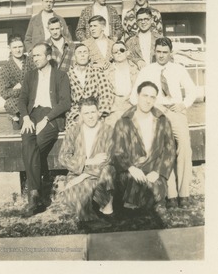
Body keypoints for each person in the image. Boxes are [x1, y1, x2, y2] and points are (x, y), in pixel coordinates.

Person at [130, 37, 197, 209]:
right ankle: (171, 194)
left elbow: (192, 91)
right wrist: (150, 106)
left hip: (175, 111)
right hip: (156, 112)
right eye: (158, 52)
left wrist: (184, 104)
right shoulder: (146, 70)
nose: (161, 55)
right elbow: (133, 96)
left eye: (165, 52)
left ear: (171, 53)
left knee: (184, 148)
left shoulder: (178, 69)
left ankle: (184, 194)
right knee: (163, 151)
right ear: (154, 52)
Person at [18, 42, 71, 217]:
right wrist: (25, 117)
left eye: (38, 55)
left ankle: (33, 195)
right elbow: (23, 99)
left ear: (48, 57)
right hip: (31, 115)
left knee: (36, 146)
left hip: (52, 116)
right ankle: (35, 195)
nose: (35, 59)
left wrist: (47, 119)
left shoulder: (60, 76)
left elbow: (65, 102)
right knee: (27, 142)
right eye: (33, 56)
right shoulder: (30, 76)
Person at [112, 81, 176, 212]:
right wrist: (131, 168)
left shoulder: (162, 120)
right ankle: (144, 204)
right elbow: (117, 151)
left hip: (153, 170)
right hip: (131, 171)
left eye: (152, 97)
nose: (148, 101)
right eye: (145, 96)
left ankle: (139, 203)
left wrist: (158, 171)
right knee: (132, 184)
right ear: (137, 96)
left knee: (154, 188)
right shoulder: (124, 121)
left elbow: (169, 150)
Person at [58, 97, 116, 221]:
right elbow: (63, 157)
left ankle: (104, 207)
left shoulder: (108, 131)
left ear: (99, 112)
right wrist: (86, 161)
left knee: (109, 170)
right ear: (80, 115)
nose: (90, 116)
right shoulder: (74, 131)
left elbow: (110, 158)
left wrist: (83, 176)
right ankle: (96, 208)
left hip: (98, 176)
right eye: (86, 113)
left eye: (93, 112)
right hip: (76, 174)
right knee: (78, 195)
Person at [66, 43, 113, 129]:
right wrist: (77, 116)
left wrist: (100, 114)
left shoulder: (97, 72)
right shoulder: (68, 75)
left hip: (95, 110)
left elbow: (106, 94)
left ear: (89, 56)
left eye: (85, 52)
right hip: (76, 112)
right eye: (79, 52)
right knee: (75, 130)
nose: (82, 55)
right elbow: (65, 100)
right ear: (74, 57)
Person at [0, 36, 35, 129]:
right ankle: (19, 119)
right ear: (9, 48)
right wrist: (23, 90)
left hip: (34, 97)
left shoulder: (32, 61)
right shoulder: (5, 68)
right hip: (17, 101)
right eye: (15, 47)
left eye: (20, 47)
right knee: (9, 104)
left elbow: (38, 79)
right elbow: (4, 93)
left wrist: (22, 84)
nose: (18, 50)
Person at [105, 41, 138, 127]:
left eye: (122, 50)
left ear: (127, 53)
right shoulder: (106, 73)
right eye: (115, 51)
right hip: (114, 110)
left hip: (133, 108)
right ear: (112, 55)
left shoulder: (136, 70)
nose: (119, 52)